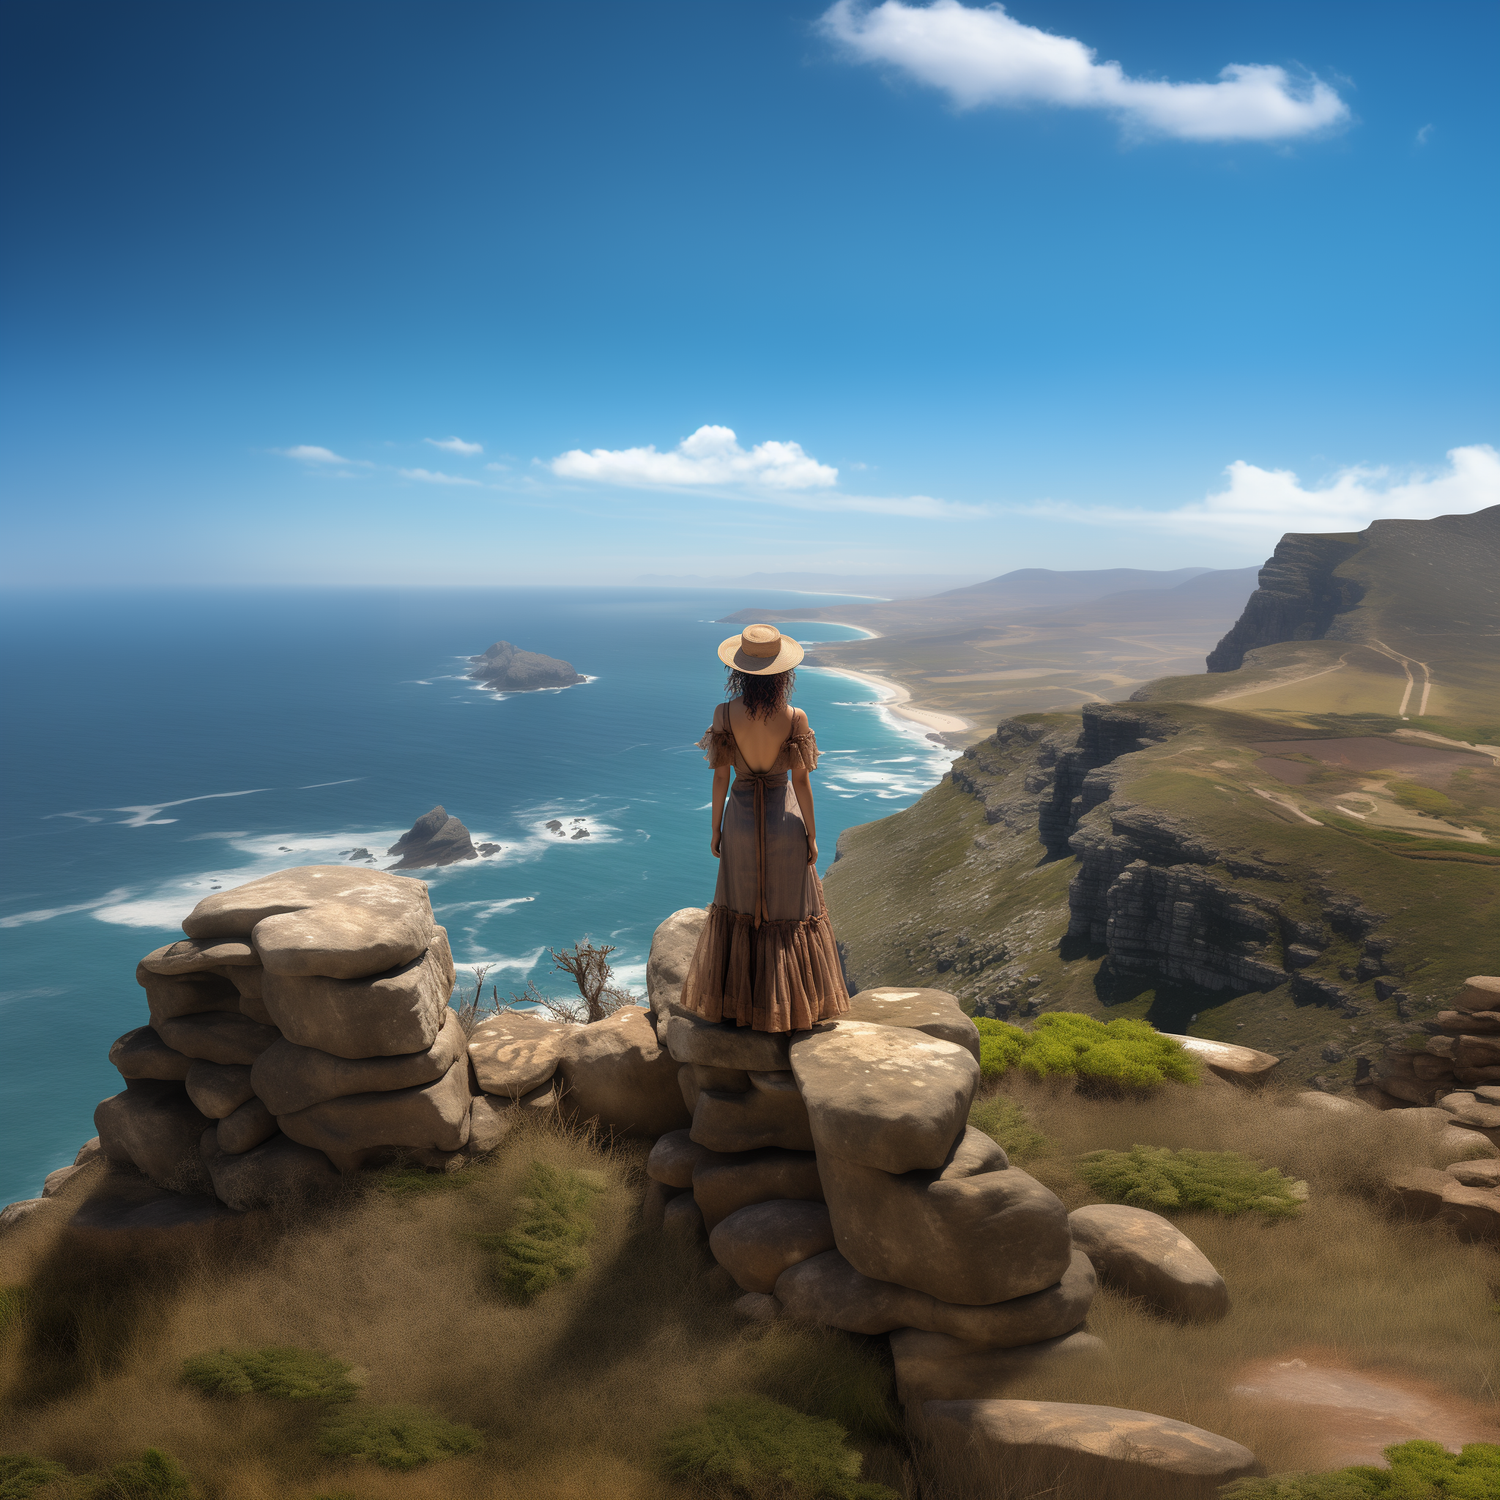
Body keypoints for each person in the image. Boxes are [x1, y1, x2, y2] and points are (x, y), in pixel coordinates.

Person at [678, 623, 849, 1032]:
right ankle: (790, 1009)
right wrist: (812, 833)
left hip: (738, 821)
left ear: (738, 670)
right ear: (782, 673)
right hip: (784, 823)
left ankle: (739, 1006)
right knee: (789, 913)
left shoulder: (723, 714)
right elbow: (803, 781)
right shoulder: (794, 717)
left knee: (740, 909)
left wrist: (716, 828)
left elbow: (720, 778)